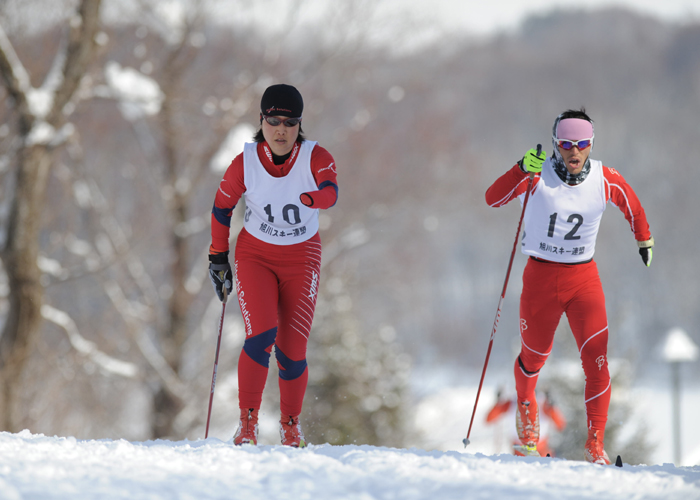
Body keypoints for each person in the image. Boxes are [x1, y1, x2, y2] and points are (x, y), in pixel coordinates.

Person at [484, 108, 653, 464]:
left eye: (581, 144)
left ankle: (595, 446)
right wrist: (519, 168)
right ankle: (527, 417)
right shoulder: (535, 172)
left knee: (598, 362)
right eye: (565, 144)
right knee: (533, 359)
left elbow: (632, 205)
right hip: (541, 278)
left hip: (582, 280)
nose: (573, 152)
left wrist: (644, 239)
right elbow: (492, 198)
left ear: (591, 144)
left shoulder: (604, 177)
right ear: (555, 144)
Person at [208, 84, 338, 447]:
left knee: (292, 349)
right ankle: (247, 423)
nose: (281, 130)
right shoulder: (245, 163)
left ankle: (290, 425)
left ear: (299, 125)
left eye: (290, 122)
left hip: (302, 257)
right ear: (262, 121)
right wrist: (217, 256)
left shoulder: (315, 156)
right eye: (274, 121)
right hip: (256, 256)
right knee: (261, 334)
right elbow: (222, 207)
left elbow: (332, 189)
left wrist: (315, 197)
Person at [485, 387, 566, 457]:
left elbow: (560, 425)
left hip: (541, 451)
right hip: (519, 451)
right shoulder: (512, 403)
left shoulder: (542, 403)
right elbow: (489, 419)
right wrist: (498, 404)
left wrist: (552, 407)